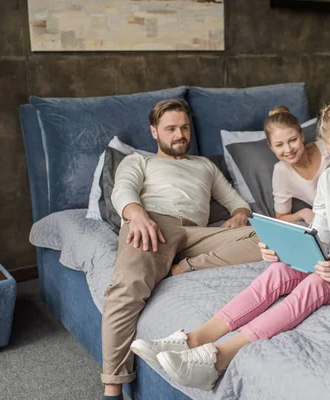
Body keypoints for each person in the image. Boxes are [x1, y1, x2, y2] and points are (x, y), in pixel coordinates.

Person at [131, 97, 330, 391]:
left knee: (318, 285)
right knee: (280, 271)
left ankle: (218, 359)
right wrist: (286, 251)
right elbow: (320, 235)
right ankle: (192, 340)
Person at [101, 99, 263, 400]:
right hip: (153, 224)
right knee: (127, 287)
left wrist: (240, 214)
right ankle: (112, 390)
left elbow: (235, 200)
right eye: (171, 129)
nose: (180, 135)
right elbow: (122, 190)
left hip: (198, 233)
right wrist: (136, 215)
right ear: (154, 131)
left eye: (184, 128)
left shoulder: (205, 166)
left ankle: (183, 269)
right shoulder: (139, 160)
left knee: (265, 237)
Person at [265, 105, 330, 224]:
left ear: (302, 136)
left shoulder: (327, 148)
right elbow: (281, 217)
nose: (288, 149)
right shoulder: (281, 172)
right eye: (279, 145)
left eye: (292, 140)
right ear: (271, 147)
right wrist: (303, 213)